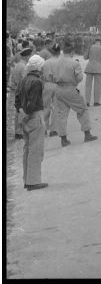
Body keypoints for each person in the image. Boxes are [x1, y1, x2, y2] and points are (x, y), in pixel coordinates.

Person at [54, 40, 98, 146]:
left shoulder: (56, 62)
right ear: (72, 52)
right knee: (82, 110)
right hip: (70, 89)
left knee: (61, 115)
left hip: (59, 89)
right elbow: (79, 78)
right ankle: (87, 134)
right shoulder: (74, 63)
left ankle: (63, 139)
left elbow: (52, 76)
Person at [15, 54, 47, 191]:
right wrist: (28, 113)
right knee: (35, 150)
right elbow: (33, 104)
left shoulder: (23, 80)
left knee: (27, 150)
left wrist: (22, 113)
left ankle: (27, 179)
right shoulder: (37, 82)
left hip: (24, 117)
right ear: (39, 67)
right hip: (34, 116)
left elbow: (17, 100)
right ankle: (33, 182)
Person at [9, 47, 33, 139]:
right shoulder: (24, 67)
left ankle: (18, 131)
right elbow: (24, 81)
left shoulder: (18, 65)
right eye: (30, 56)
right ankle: (20, 132)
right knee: (22, 111)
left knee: (18, 111)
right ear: (27, 56)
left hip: (16, 91)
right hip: (22, 92)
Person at [83, 35, 101, 107]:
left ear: (95, 41)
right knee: (97, 85)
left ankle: (87, 102)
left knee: (88, 85)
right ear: (100, 42)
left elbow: (85, 57)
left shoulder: (90, 47)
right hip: (98, 68)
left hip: (89, 67)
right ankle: (96, 102)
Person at [41, 43, 62, 136]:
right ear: (59, 52)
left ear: (52, 52)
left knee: (45, 107)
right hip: (57, 85)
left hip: (47, 84)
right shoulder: (61, 62)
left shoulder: (45, 62)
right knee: (56, 108)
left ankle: (44, 129)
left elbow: (42, 75)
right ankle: (54, 129)